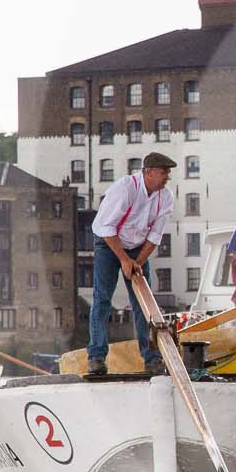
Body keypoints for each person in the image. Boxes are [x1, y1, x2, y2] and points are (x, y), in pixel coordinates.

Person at [88, 152, 177, 378]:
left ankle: (151, 359)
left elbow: (155, 235)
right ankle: (96, 358)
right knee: (102, 299)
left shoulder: (165, 197)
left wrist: (138, 262)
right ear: (148, 172)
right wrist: (124, 260)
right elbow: (106, 227)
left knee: (143, 303)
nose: (167, 176)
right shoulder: (125, 189)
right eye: (163, 172)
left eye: (168, 172)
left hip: (138, 247)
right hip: (109, 243)